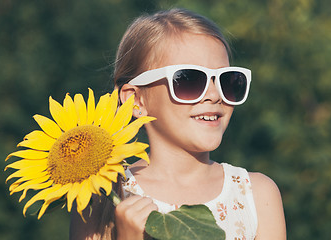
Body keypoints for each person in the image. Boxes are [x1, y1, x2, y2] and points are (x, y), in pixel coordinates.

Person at [70, 8, 286, 240]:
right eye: (189, 79)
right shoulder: (100, 196)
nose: (214, 95)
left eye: (228, 81)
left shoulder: (255, 196)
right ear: (135, 100)